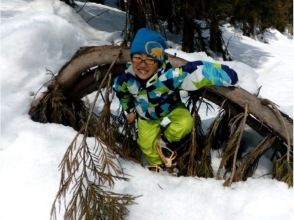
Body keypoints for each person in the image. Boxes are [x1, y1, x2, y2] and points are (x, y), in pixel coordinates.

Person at [113, 28, 238, 173]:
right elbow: (121, 92)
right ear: (131, 57)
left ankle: (164, 141)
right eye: (137, 57)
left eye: (150, 59)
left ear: (159, 62)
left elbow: (194, 72)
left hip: (171, 108)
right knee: (145, 143)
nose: (142, 64)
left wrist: (225, 74)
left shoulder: (167, 78)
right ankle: (157, 163)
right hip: (145, 116)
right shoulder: (126, 79)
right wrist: (129, 109)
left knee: (185, 123)